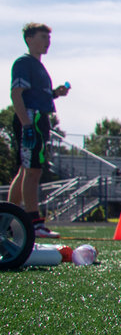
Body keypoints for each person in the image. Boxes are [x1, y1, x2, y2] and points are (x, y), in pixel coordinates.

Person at [9, 23, 70, 238]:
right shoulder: (24, 63)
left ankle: (10, 219)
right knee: (33, 170)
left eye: (49, 38)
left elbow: (36, 94)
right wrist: (26, 124)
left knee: (26, 170)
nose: (47, 42)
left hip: (39, 118)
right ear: (29, 39)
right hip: (31, 119)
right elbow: (16, 94)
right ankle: (33, 222)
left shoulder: (38, 66)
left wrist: (55, 94)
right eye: (43, 37)